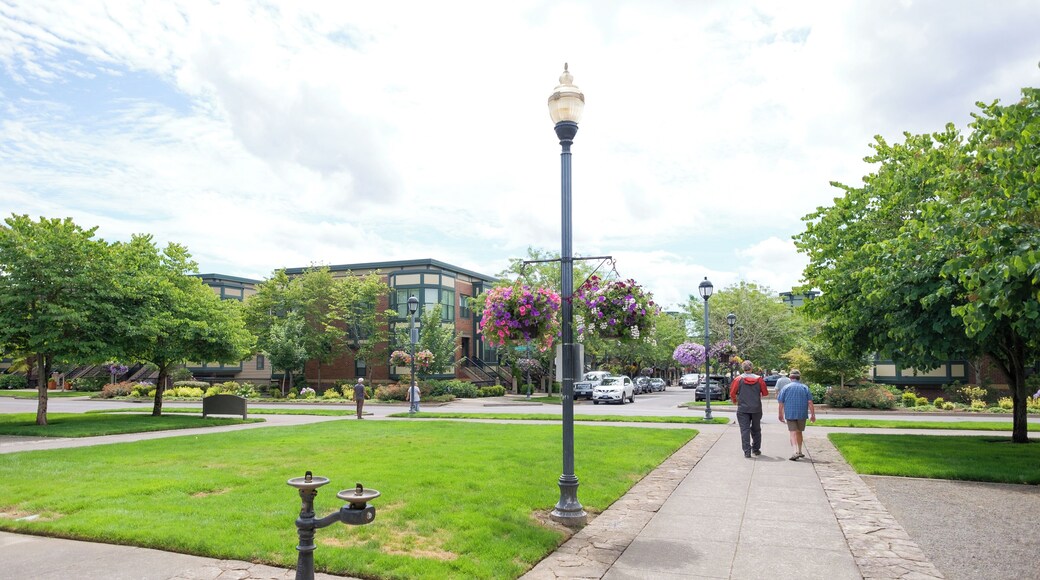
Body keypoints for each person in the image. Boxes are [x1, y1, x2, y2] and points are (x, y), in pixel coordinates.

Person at [730, 360, 769, 458]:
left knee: (744, 430)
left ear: (743, 368)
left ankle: (747, 451)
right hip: (756, 408)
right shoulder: (759, 379)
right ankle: (756, 449)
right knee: (756, 429)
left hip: (743, 408)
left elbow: (732, 393)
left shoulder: (738, 379)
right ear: (752, 368)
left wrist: (735, 401)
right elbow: (765, 393)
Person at [777, 370, 815, 460]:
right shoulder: (805, 387)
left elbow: (781, 403)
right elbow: (810, 402)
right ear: (799, 378)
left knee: (792, 432)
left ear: (790, 378)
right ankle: (800, 451)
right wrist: (813, 414)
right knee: (799, 432)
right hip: (802, 413)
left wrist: (780, 414)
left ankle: (795, 451)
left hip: (790, 413)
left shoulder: (786, 388)